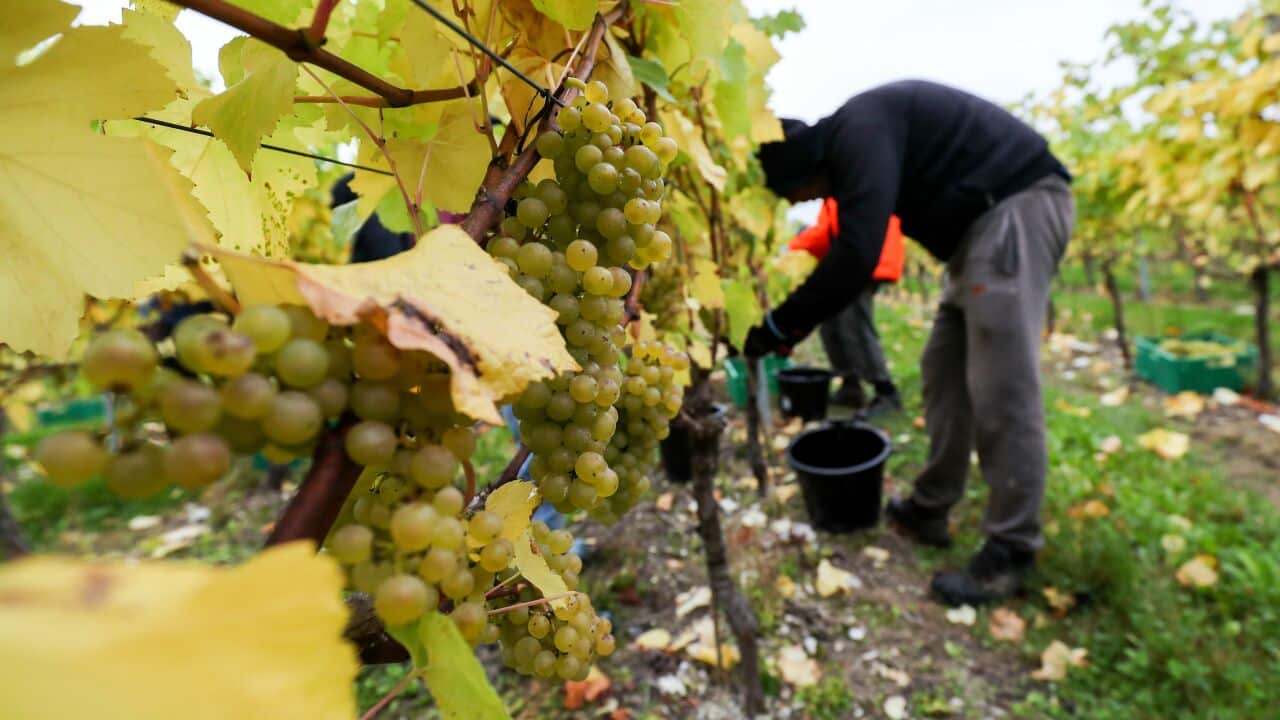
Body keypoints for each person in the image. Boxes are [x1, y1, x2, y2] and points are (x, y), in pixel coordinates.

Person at [745, 80, 1074, 606]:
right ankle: (931, 506)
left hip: (1018, 206)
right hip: (978, 234)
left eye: (791, 194)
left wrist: (781, 326)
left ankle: (1012, 547)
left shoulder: (859, 129)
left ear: (798, 171)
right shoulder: (859, 137)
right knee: (942, 370)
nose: (799, 202)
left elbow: (857, 252)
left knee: (1001, 384)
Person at [787, 200, 905, 415]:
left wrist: (792, 246)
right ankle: (851, 386)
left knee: (854, 326)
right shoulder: (838, 187)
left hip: (863, 261)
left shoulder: (847, 183)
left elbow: (826, 233)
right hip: (850, 261)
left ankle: (885, 391)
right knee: (831, 325)